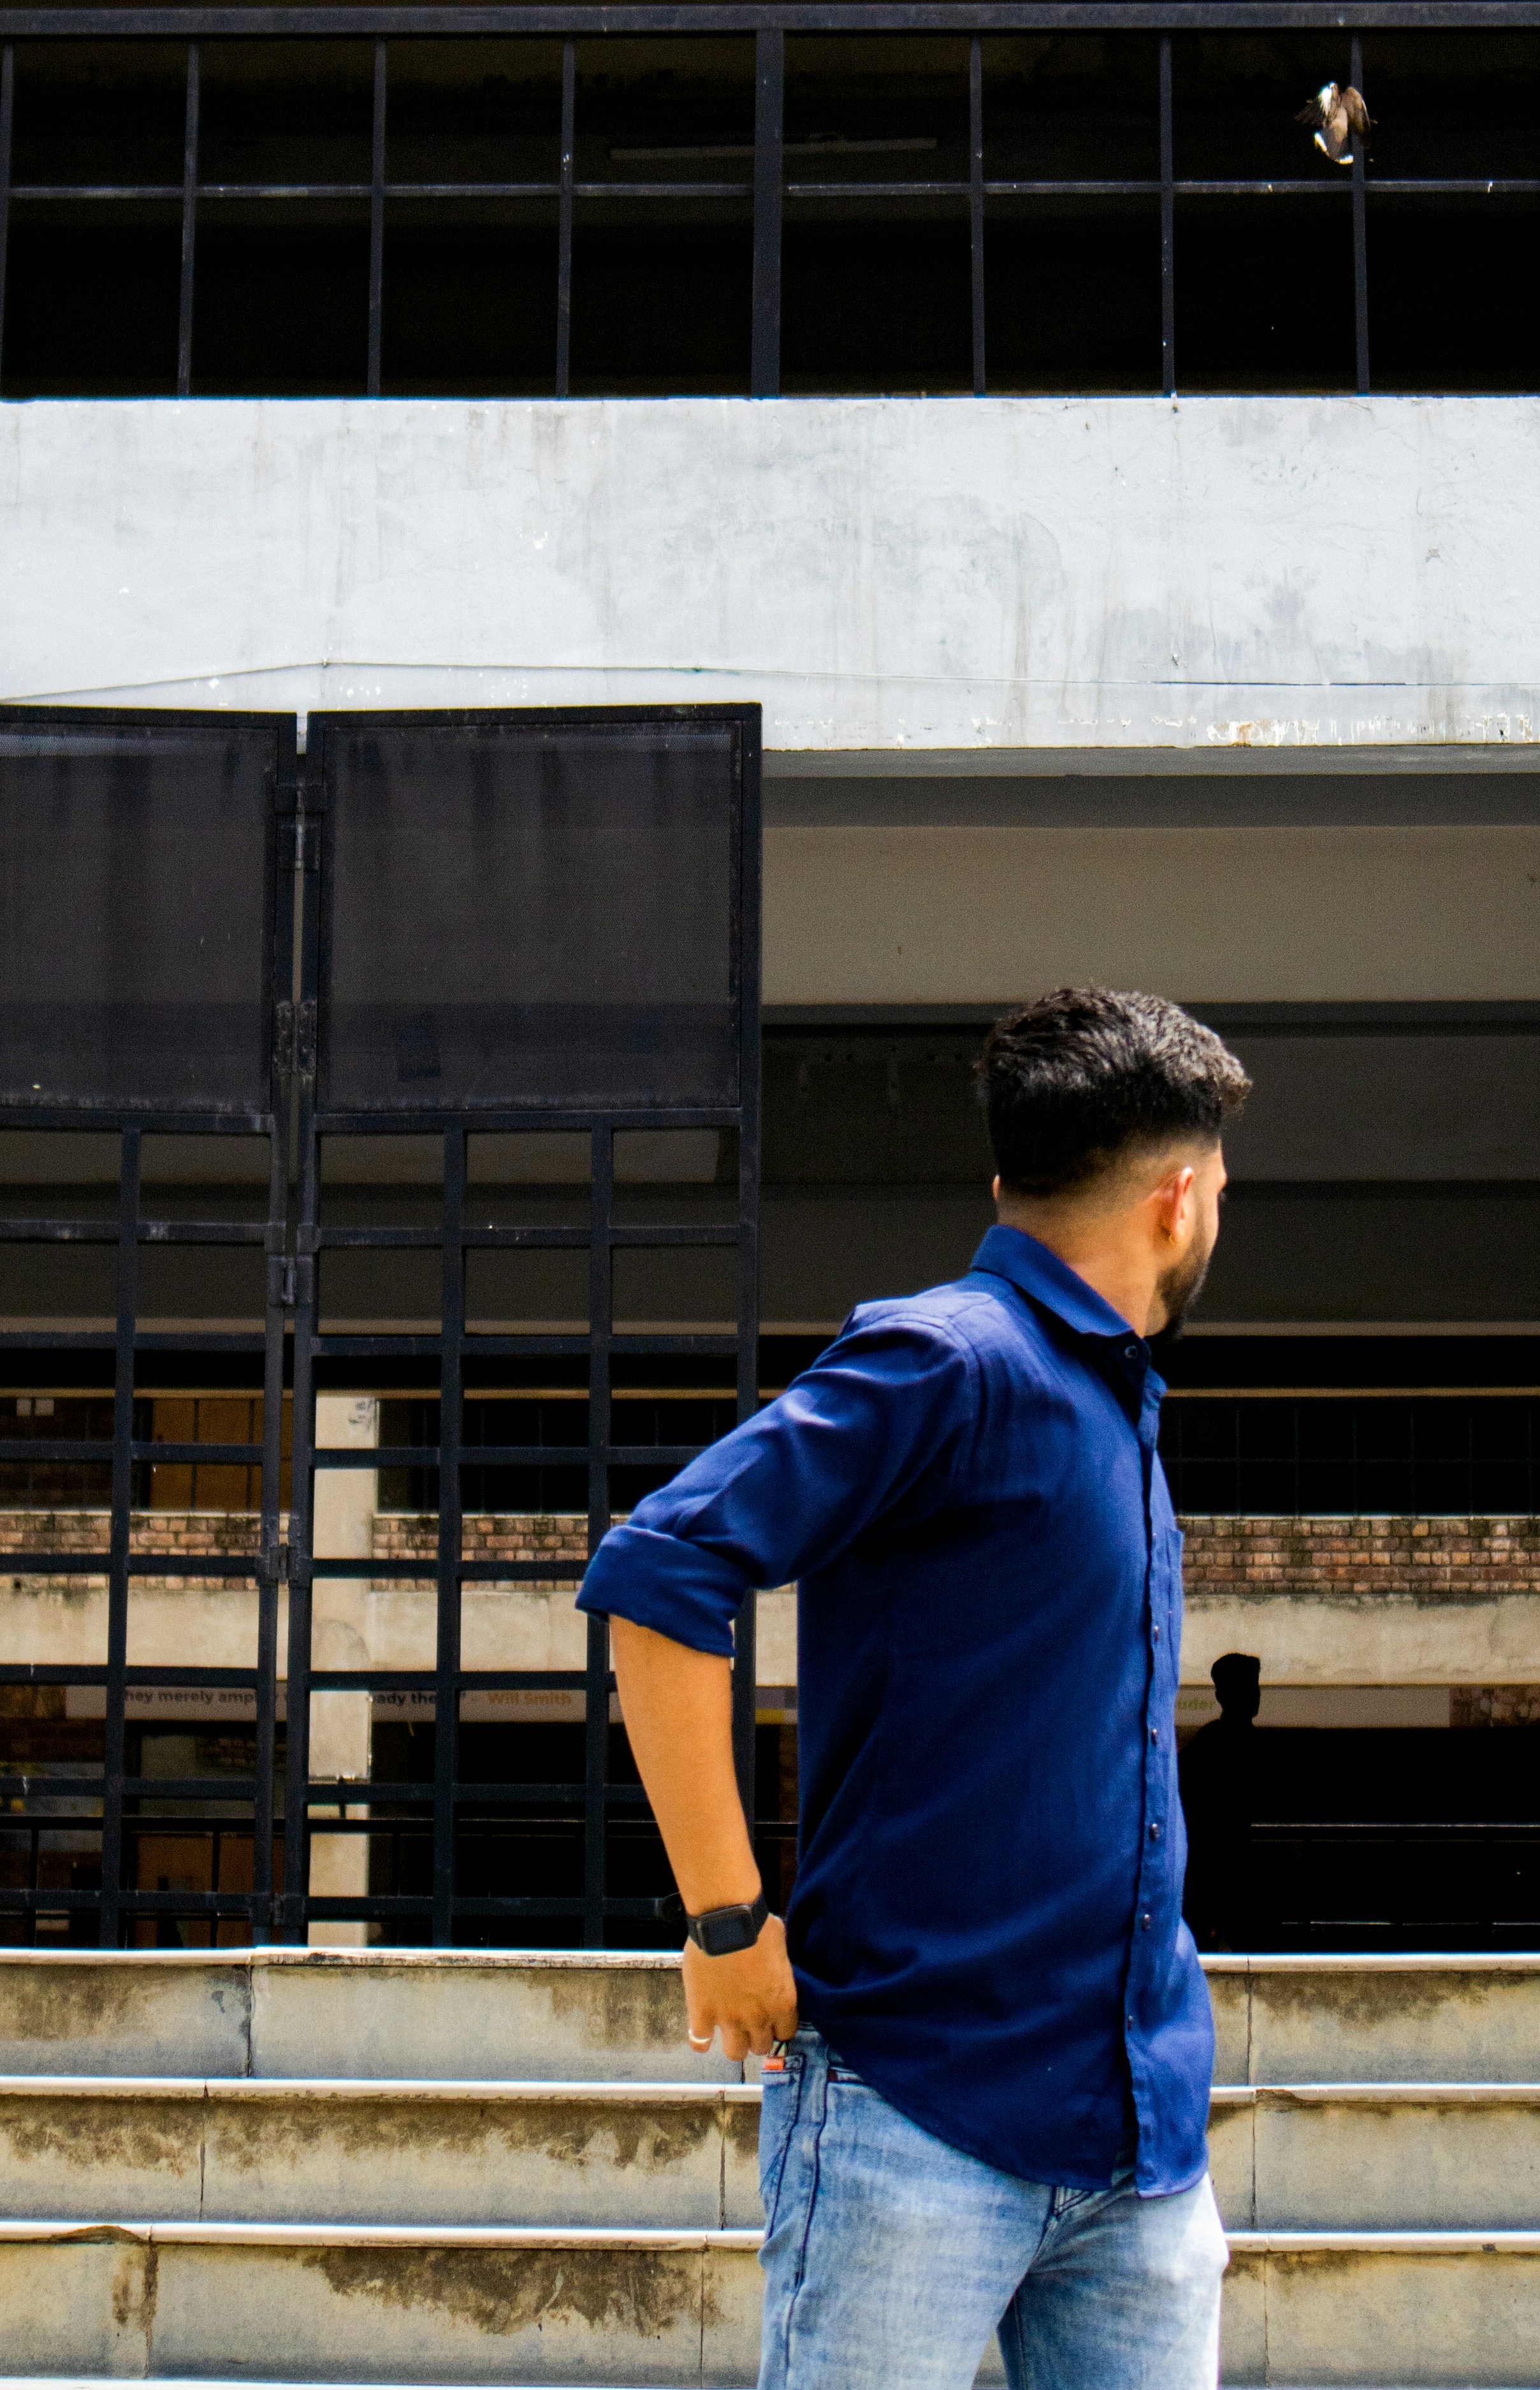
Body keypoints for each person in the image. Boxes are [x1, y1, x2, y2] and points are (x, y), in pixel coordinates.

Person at [578, 986, 1251, 2390]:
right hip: (916, 2117)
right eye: (1220, 1186)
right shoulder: (949, 1357)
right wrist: (723, 1918)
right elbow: (661, 1570)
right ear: (1177, 1202)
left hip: (1139, 2140)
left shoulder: (1110, 1398)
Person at [1180, 1653, 1263, 1952]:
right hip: (1220, 1867)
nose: (1255, 1695)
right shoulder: (1211, 1743)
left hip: (1230, 1868)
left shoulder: (1216, 1742)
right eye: (1247, 1688)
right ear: (1222, 1696)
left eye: (1255, 1687)